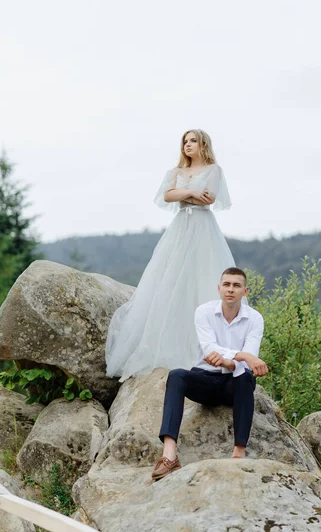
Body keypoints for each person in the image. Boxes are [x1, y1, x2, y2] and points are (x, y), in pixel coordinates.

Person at [105, 129, 236, 381]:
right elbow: (166, 196)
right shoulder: (175, 173)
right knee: (168, 282)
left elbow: (207, 200)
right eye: (185, 141)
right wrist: (189, 193)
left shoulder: (213, 170)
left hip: (202, 228)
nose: (188, 145)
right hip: (180, 229)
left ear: (203, 144)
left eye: (193, 141)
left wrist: (186, 194)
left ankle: (206, 352)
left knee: (201, 281)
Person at [151, 267, 268, 481]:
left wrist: (231, 362)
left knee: (245, 377)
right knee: (177, 375)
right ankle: (169, 456)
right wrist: (241, 356)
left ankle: (238, 453)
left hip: (233, 385)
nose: (230, 289)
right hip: (206, 380)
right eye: (226, 284)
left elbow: (248, 364)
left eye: (236, 285)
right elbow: (209, 349)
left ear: (245, 291)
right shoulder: (204, 312)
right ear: (219, 288)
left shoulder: (255, 319)